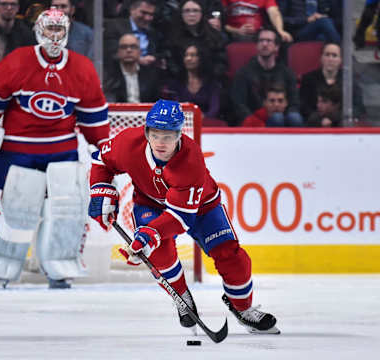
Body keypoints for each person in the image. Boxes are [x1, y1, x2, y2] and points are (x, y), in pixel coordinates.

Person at [88, 99, 280, 334]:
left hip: (201, 207)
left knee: (232, 257)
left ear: (179, 134)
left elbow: (180, 218)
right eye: (155, 134)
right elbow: (100, 160)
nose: (160, 142)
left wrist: (148, 235)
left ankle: (243, 308)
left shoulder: (190, 160)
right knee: (160, 256)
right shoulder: (128, 143)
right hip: (149, 203)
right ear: (147, 131)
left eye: (168, 136)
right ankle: (181, 297)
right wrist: (101, 190)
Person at [0, 8, 110, 289]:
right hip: (18, 153)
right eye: (49, 29)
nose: (54, 35)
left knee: (67, 211)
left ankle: (60, 270)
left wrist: (104, 150)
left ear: (67, 32)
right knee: (17, 212)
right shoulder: (17, 62)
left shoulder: (83, 68)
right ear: (39, 31)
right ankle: (3, 270)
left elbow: (94, 120)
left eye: (59, 29)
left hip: (62, 152)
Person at [231, 28, 302, 126]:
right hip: (255, 119)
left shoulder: (287, 73)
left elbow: (294, 101)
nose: (264, 44)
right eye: (261, 41)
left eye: (268, 41)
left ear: (276, 47)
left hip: (284, 116)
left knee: (294, 118)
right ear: (256, 45)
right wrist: (254, 120)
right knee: (277, 118)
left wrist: (287, 113)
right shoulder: (243, 73)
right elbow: (239, 104)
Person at [165, 0, 229, 85]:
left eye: (195, 10)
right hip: (181, 83)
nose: (191, 14)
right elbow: (171, 65)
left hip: (210, 83)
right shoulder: (172, 37)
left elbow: (221, 64)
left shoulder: (215, 36)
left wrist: (204, 79)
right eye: (187, 11)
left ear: (202, 13)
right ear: (181, 14)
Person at [163, 42, 228, 126]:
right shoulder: (175, 84)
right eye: (186, 55)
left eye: (193, 55)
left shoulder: (211, 83)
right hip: (181, 123)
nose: (188, 58)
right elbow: (174, 107)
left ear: (201, 58)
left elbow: (214, 108)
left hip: (206, 122)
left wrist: (202, 117)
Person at [300, 42, 366, 122]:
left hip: (341, 123)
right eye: (327, 55)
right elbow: (303, 106)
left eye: (334, 55)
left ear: (340, 60)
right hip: (314, 124)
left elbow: (359, 107)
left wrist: (335, 118)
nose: (330, 59)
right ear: (321, 58)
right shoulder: (308, 79)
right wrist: (319, 119)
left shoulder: (348, 79)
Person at [103, 0, 162, 68]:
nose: (147, 18)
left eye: (151, 14)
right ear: (132, 10)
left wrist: (154, 60)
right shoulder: (114, 26)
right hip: (119, 73)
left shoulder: (153, 33)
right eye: (143, 13)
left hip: (147, 75)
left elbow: (158, 55)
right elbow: (110, 53)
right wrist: (137, 60)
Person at [103, 33, 160, 102]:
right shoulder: (109, 76)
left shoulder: (150, 75)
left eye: (133, 47)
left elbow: (156, 102)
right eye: (124, 47)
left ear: (140, 52)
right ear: (118, 52)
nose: (128, 50)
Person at [222, 0, 293, 42]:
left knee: (284, 39)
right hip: (233, 32)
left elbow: (274, 12)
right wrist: (237, 30)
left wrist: (280, 30)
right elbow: (221, 21)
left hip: (258, 33)